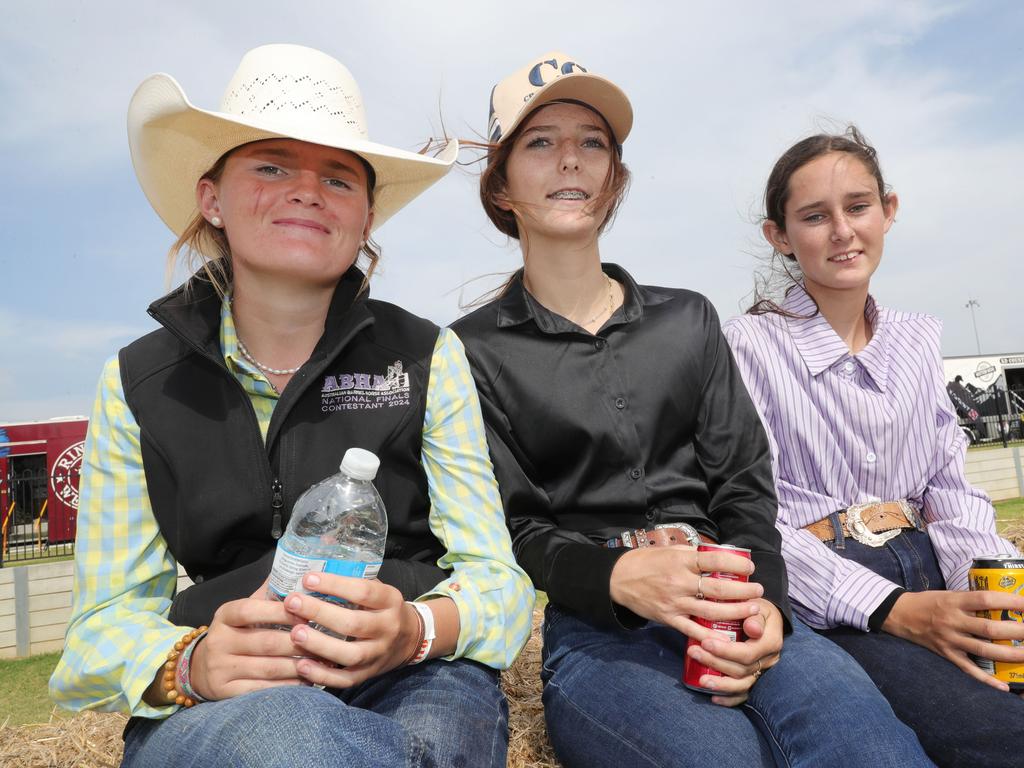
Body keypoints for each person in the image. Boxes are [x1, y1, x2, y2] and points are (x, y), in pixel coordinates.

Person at [49, 44, 534, 768]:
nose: (307, 190)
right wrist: (191, 663)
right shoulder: (136, 381)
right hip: (226, 694)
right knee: (296, 734)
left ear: (366, 215)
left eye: (338, 178)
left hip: (414, 676)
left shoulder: (428, 355)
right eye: (272, 166)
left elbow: (498, 580)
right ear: (210, 196)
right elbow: (99, 628)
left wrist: (417, 631)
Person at [452, 53, 931, 768]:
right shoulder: (468, 351)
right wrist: (615, 577)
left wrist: (767, 603)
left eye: (592, 143)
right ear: (501, 184)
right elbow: (513, 527)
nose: (571, 162)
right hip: (602, 634)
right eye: (541, 142)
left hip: (732, 599)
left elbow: (742, 480)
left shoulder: (688, 320)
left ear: (614, 177)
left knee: (872, 750)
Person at [722, 126, 1024, 767]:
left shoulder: (916, 342)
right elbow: (752, 515)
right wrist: (892, 608)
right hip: (831, 595)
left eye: (858, 207)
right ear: (779, 235)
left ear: (888, 209)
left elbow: (949, 484)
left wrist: (991, 587)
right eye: (814, 216)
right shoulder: (745, 347)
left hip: (935, 564)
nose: (842, 231)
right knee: (1001, 732)